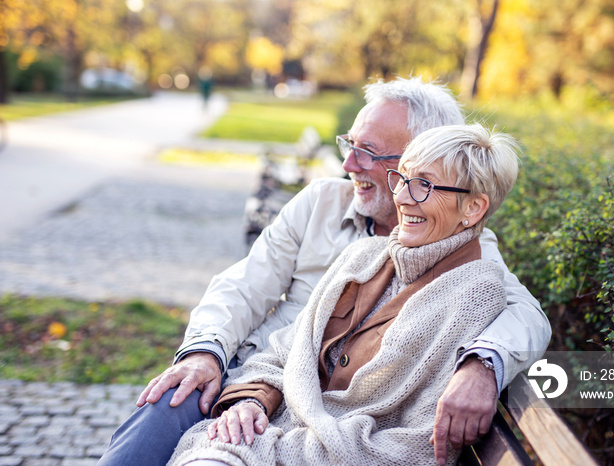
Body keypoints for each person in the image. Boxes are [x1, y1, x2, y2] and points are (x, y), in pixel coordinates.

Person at [98, 77, 551, 466]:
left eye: (368, 152)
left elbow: (526, 316)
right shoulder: (322, 203)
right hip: (247, 378)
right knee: (169, 399)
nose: (348, 164)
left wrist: (481, 365)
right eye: (349, 145)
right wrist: (207, 351)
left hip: (317, 424)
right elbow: (241, 287)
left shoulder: (470, 261)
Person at [167, 122, 521, 466]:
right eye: (402, 180)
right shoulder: (363, 255)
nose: (402, 198)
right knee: (169, 410)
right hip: (261, 432)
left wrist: (270, 448)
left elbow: (416, 447)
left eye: (424, 186)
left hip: (299, 451)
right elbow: (284, 351)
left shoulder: (475, 295)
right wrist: (250, 403)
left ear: (473, 208)